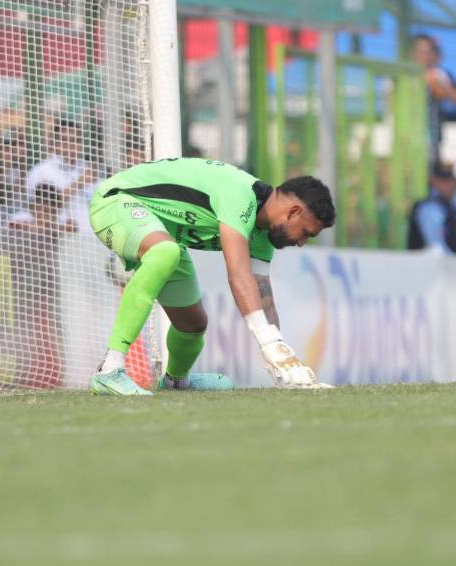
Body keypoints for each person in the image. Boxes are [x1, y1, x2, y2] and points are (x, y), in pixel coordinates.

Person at [87, 158, 335, 395]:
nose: (302, 242)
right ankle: (109, 369)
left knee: (193, 325)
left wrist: (283, 360)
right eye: (306, 232)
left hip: (164, 233)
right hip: (115, 203)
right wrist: (268, 343)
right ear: (293, 212)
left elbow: (261, 294)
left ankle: (175, 381)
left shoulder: (262, 234)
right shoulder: (240, 195)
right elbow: (238, 275)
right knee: (165, 252)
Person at [411, 34, 456, 163]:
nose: (425, 56)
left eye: (429, 52)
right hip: (409, 139)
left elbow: (455, 95)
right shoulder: (404, 76)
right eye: (421, 52)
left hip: (429, 138)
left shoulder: (437, 74)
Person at [407, 161, 456, 254]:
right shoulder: (429, 208)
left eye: (452, 181)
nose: (450, 185)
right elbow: (436, 247)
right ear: (434, 181)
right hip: (431, 261)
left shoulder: (453, 207)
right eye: (444, 181)